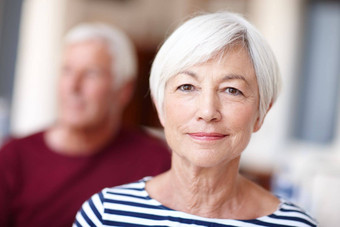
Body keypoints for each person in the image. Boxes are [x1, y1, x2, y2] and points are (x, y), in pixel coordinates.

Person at [74, 12, 318, 227]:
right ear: (160, 107)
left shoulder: (295, 225)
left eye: (232, 90)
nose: (207, 111)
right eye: (187, 86)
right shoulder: (105, 214)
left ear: (261, 113)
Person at [0, 23, 171, 227]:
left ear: (124, 89)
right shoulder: (14, 157)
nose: (73, 86)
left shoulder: (155, 162)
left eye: (91, 73)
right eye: (67, 71)